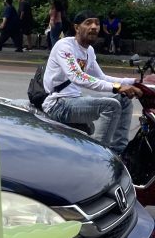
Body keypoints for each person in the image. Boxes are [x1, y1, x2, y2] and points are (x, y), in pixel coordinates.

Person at [42, 10, 141, 155]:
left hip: (74, 101)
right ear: (77, 28)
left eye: (97, 23)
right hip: (57, 104)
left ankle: (119, 152)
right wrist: (117, 87)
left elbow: (102, 77)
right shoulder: (65, 46)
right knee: (111, 106)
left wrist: (135, 81)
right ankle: (100, 156)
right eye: (88, 23)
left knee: (124, 100)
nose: (94, 27)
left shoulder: (89, 51)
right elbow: (78, 76)